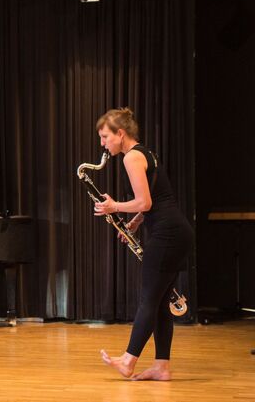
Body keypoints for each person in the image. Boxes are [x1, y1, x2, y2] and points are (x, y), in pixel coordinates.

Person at [93, 108, 193, 381]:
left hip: (167, 234)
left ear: (120, 134)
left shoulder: (132, 157)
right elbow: (156, 198)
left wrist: (114, 206)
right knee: (159, 302)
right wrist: (136, 221)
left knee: (149, 299)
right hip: (175, 231)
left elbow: (145, 202)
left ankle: (128, 361)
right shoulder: (144, 153)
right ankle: (161, 366)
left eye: (105, 137)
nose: (102, 143)